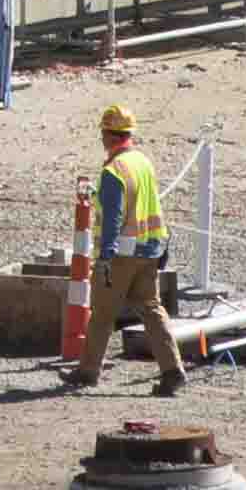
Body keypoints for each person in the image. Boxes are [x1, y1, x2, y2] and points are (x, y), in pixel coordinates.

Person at [70, 99, 182, 388]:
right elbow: (148, 204)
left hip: (122, 256)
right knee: (152, 309)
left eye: (103, 133)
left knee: (102, 315)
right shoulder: (143, 162)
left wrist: (105, 257)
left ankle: (87, 372)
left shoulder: (113, 171)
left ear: (109, 135)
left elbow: (114, 218)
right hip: (150, 250)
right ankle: (172, 370)